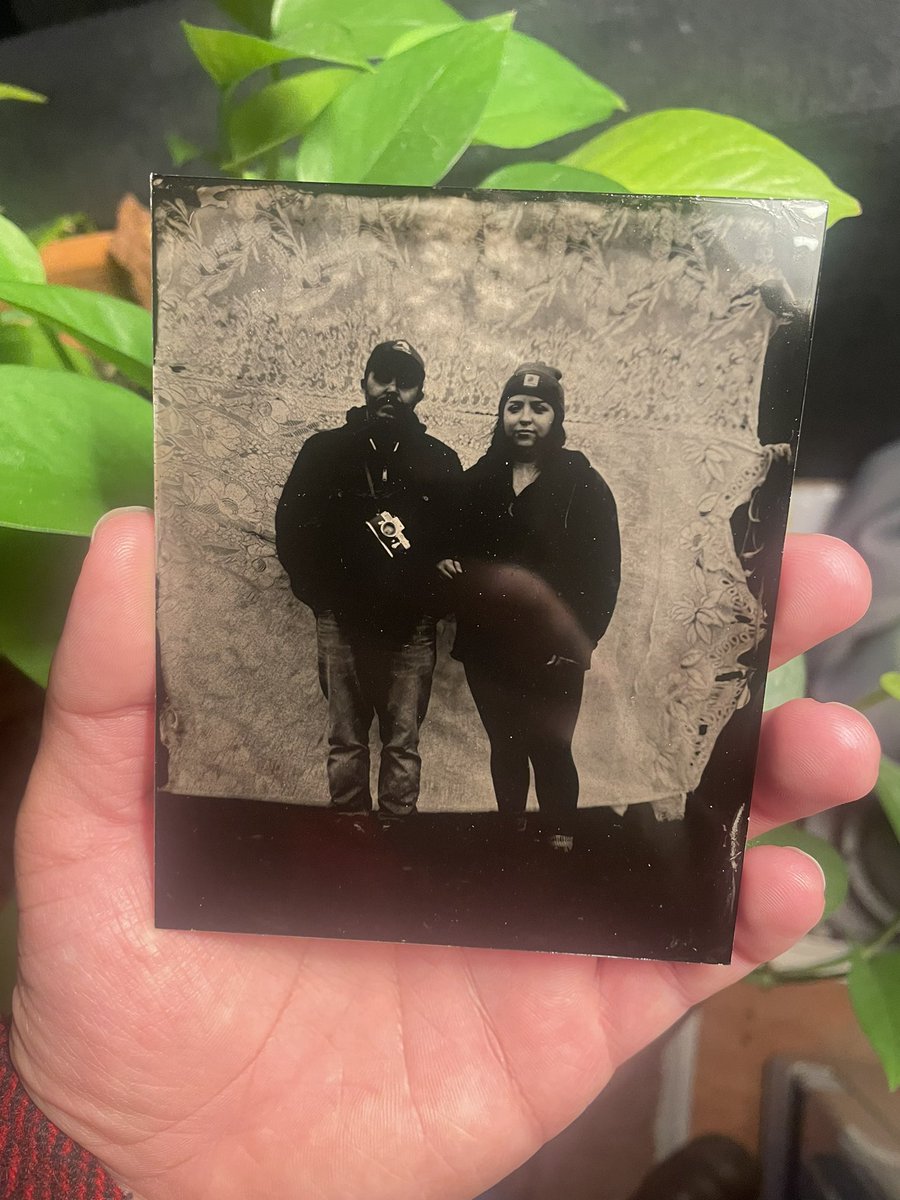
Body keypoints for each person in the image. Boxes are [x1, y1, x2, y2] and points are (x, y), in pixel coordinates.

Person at [0, 509, 881, 1198]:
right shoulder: (389, 467)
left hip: (477, 639)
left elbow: (543, 568)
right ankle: (385, 828)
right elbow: (317, 532)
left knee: (453, 747)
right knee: (364, 736)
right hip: (386, 628)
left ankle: (512, 833)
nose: (392, 393)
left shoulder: (453, 475)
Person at [275, 340, 462, 818]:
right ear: (364, 382)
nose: (391, 391)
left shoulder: (441, 461)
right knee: (346, 739)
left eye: (405, 382)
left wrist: (430, 604)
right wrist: (321, 599)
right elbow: (292, 529)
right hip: (341, 620)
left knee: (403, 741)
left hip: (411, 627)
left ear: (420, 393)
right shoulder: (323, 452)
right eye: (382, 377)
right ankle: (350, 837)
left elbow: (459, 542)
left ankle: (398, 838)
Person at [438, 363, 620, 850]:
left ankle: (560, 834)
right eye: (514, 406)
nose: (525, 418)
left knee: (552, 746)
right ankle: (510, 829)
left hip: (553, 649)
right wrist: (446, 562)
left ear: (556, 419)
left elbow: (603, 575)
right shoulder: (479, 480)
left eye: (539, 408)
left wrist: (579, 643)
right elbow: (450, 543)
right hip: (488, 647)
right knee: (506, 745)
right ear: (501, 414)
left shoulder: (583, 484)